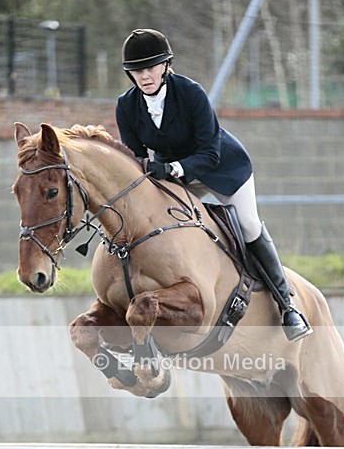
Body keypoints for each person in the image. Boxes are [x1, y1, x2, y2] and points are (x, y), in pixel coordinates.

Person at [116, 28, 312, 342]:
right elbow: (136, 158)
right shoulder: (127, 106)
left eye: (150, 68)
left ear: (166, 66)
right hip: (174, 176)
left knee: (248, 225)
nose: (144, 76)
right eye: (137, 71)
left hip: (222, 168)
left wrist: (172, 168)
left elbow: (209, 152)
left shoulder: (191, 93)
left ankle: (287, 306)